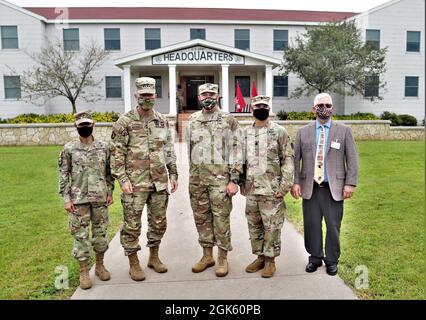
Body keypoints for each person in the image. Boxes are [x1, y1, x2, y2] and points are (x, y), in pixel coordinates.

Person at [110, 77, 178, 281]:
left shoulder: (162, 121)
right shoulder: (125, 122)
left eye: (150, 95)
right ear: (136, 96)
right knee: (132, 225)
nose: (147, 99)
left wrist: (173, 174)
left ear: (155, 95)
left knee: (158, 223)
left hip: (158, 182)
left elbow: (168, 150)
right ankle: (133, 262)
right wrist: (122, 179)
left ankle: (154, 257)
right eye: (143, 95)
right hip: (135, 184)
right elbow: (116, 154)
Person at [291, 93, 358, 276]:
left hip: (333, 188)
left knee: (333, 226)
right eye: (320, 105)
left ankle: (331, 260)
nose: (324, 108)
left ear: (332, 108)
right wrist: (296, 182)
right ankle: (315, 257)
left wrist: (350, 183)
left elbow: (352, 159)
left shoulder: (343, 131)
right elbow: (295, 160)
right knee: (312, 225)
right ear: (314, 109)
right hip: (310, 188)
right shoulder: (302, 132)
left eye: (328, 105)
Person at [186, 83, 242, 277]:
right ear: (199, 97)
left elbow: (237, 150)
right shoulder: (192, 120)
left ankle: (222, 258)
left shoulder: (228, 120)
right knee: (201, 219)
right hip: (197, 180)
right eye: (204, 94)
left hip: (220, 181)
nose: (207, 97)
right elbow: (189, 150)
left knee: (221, 220)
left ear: (217, 96)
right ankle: (207, 255)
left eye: (211, 93)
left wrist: (234, 179)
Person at [58, 110, 114, 290]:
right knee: (80, 236)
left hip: (99, 198)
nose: (85, 128)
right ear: (76, 126)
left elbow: (109, 173)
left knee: (100, 234)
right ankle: (84, 271)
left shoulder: (104, 147)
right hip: (78, 200)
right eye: (81, 126)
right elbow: (63, 175)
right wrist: (66, 199)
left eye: (87, 125)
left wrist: (110, 191)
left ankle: (99, 265)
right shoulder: (69, 149)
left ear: (93, 124)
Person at [240, 95, 294, 278]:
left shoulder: (279, 132)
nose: (261, 108)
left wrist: (284, 185)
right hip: (252, 189)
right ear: (252, 109)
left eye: (264, 105)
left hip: (272, 189)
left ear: (269, 108)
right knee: (254, 225)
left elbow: (288, 159)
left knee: (272, 226)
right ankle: (260, 257)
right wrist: (241, 182)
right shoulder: (245, 133)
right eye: (257, 106)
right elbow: (241, 161)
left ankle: (270, 260)